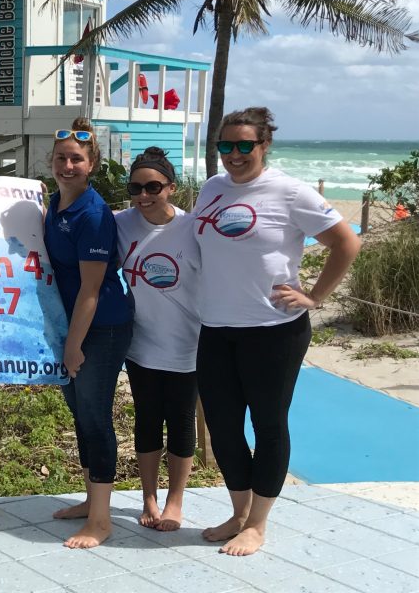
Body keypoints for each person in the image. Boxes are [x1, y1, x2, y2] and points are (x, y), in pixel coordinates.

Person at [193, 107, 361, 556]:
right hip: (215, 327)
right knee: (224, 428)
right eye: (225, 145)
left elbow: (347, 242)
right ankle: (237, 512)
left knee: (268, 425)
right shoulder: (211, 188)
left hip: (273, 330)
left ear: (264, 145)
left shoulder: (288, 191)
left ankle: (258, 524)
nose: (233, 154)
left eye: (244, 145)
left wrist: (315, 297)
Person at [43, 118, 133, 549]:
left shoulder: (93, 214)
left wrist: (73, 347)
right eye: (61, 158)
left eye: (76, 159)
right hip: (72, 326)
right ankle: (90, 501)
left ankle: (101, 519)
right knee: (80, 414)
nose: (68, 165)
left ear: (92, 164)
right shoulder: (54, 205)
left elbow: (92, 291)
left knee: (95, 417)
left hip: (102, 326)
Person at [115, 147, 199, 531]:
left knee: (181, 422)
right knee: (147, 420)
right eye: (136, 187)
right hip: (141, 343)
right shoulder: (120, 223)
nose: (143, 196)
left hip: (188, 343)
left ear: (172, 188)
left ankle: (175, 501)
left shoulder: (192, 227)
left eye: (153, 187)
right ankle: (148, 497)